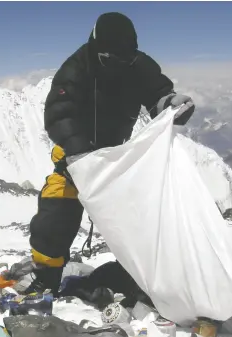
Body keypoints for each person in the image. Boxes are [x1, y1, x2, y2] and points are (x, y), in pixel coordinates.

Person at [25, 12, 196, 295]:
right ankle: (47, 275)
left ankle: (137, 275)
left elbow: (158, 95)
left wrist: (172, 104)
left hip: (118, 157)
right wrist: (78, 154)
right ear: (95, 48)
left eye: (124, 59)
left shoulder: (138, 65)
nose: (118, 64)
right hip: (74, 155)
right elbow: (59, 115)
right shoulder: (76, 69)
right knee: (56, 214)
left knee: (138, 216)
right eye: (110, 59)